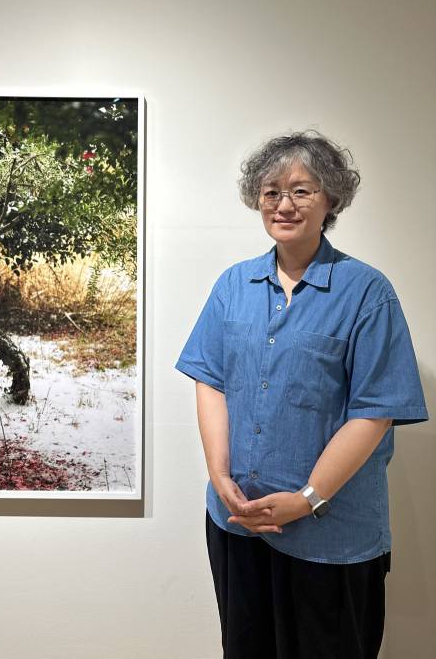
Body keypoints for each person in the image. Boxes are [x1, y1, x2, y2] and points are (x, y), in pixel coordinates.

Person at [175, 130, 429, 659]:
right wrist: (219, 476)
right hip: (238, 525)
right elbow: (211, 381)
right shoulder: (232, 286)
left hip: (330, 535)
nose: (283, 204)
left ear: (330, 199)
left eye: (301, 191)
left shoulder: (366, 291)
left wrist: (306, 499)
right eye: (271, 191)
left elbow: (374, 411)